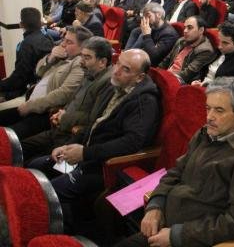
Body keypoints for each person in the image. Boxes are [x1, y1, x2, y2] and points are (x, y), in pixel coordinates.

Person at [115, 77, 234, 247]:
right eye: (208, 108)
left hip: (192, 238)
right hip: (166, 222)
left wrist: (177, 236)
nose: (209, 117)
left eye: (219, 110)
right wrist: (156, 205)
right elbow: (176, 172)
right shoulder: (209, 132)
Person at [28, 49, 161, 229]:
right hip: (88, 154)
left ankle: (61, 231)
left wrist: (85, 153)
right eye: (118, 63)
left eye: (126, 69)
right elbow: (94, 124)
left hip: (105, 166)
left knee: (49, 193)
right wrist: (68, 145)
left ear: (139, 77)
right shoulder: (117, 87)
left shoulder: (145, 102)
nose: (116, 71)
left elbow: (131, 142)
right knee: (36, 166)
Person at [20, 36, 113, 162]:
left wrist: (64, 117)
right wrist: (61, 112)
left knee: (33, 163)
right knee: (18, 147)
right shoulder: (89, 73)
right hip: (59, 129)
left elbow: (93, 119)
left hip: (72, 137)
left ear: (102, 62)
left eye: (87, 58)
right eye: (82, 56)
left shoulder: (107, 83)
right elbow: (73, 100)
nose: (81, 62)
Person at [0, 26, 92, 140]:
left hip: (44, 114)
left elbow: (64, 94)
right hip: (30, 104)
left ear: (82, 47)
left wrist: (30, 106)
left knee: (6, 137)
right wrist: (50, 57)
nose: (63, 44)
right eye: (64, 40)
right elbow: (38, 72)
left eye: (69, 42)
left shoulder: (79, 64)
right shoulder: (63, 56)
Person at [0, 8, 53, 102]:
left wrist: (4, 83)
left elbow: (20, 77)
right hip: (45, 82)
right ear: (40, 22)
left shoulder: (26, 45)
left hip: (31, 87)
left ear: (21, 24)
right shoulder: (48, 37)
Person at [193, 21, 234, 87]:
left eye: (225, 43)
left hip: (216, 91)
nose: (220, 46)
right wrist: (197, 80)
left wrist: (207, 84)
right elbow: (203, 69)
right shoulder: (221, 50)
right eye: (219, 40)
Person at [158, 16, 217, 84]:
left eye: (190, 28)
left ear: (201, 30)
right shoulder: (181, 41)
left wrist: (165, 77)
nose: (185, 31)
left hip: (178, 81)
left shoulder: (206, 50)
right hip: (166, 75)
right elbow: (166, 60)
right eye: (185, 27)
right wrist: (158, 72)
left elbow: (187, 74)